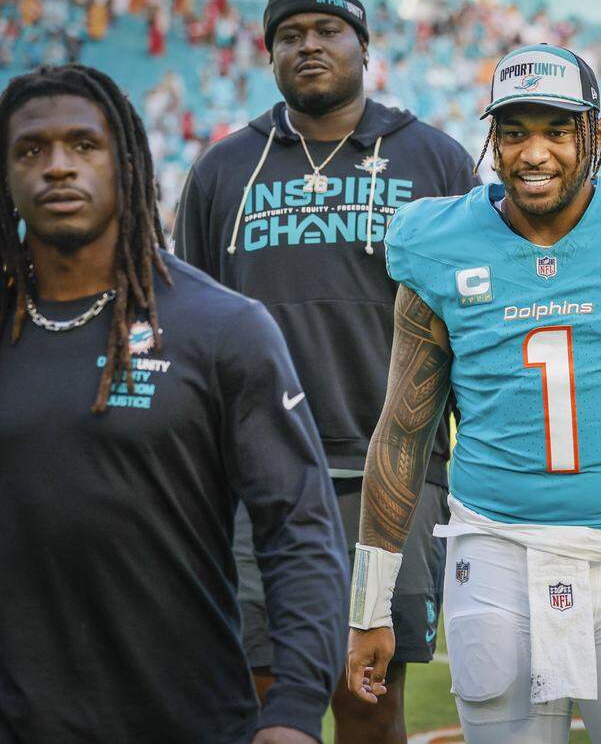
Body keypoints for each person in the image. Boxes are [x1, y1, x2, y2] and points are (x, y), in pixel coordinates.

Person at [345, 44, 601, 744]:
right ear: (492, 138)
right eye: (515, 130)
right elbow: (404, 431)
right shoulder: (440, 241)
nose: (534, 153)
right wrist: (369, 602)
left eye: (557, 130)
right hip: (496, 557)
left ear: (596, 135)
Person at [0, 65, 347, 743]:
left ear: (127, 163)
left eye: (84, 145)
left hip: (186, 719)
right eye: (30, 151)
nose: (58, 167)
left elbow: (298, 526)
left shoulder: (221, 327)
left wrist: (298, 710)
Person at [174, 0, 476, 742]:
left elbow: (478, 325)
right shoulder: (221, 172)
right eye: (290, 34)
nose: (309, 45)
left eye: (328, 30)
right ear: (269, 53)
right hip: (255, 478)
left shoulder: (435, 162)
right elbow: (189, 331)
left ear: (363, 46)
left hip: (394, 476)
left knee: (370, 698)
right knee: (260, 697)